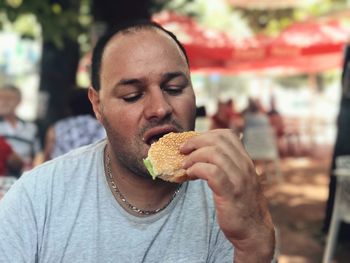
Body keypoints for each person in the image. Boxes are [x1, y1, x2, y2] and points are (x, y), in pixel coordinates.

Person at [0, 20, 275, 262]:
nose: (160, 108)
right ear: (97, 106)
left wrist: (253, 247)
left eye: (174, 88)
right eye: (132, 95)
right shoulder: (38, 197)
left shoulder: (231, 199)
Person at [43, 87, 106, 160]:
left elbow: (47, 159)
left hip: (62, 169)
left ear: (69, 107)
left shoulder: (56, 128)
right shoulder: (101, 127)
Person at [0, 84, 41, 175]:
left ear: (19, 101)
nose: (4, 102)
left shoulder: (31, 127)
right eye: (1, 98)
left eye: (9, 99)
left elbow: (38, 155)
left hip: (24, 175)